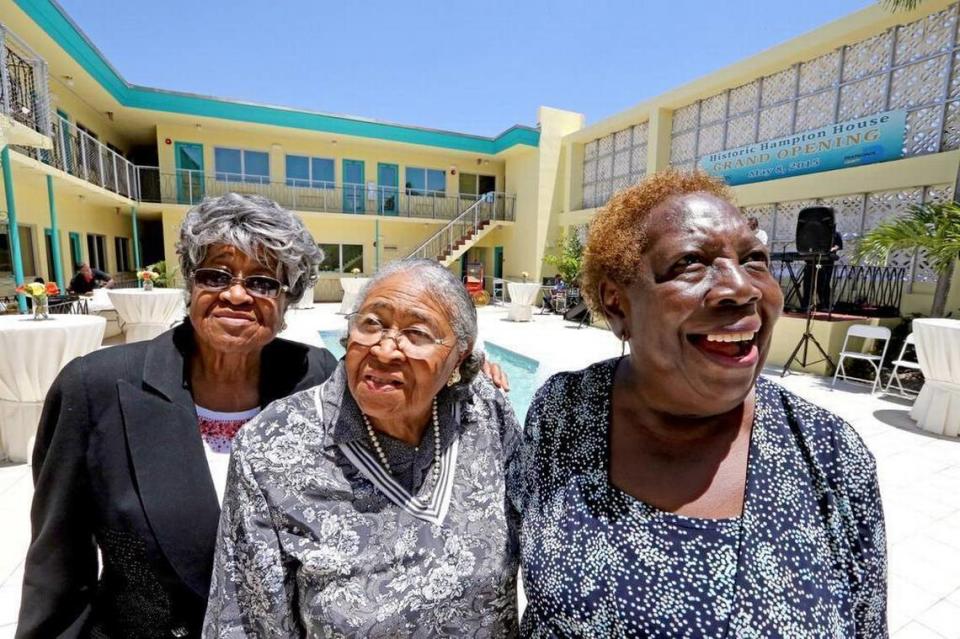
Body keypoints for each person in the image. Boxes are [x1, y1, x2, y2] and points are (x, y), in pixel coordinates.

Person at [508, 170, 886, 637]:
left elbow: (869, 621)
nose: (742, 288)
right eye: (691, 262)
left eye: (754, 260)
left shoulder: (829, 454)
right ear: (616, 304)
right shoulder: (564, 411)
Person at [17, 194, 339, 639]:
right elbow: (57, 566)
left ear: (288, 300)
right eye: (215, 275)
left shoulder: (317, 376)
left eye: (264, 282)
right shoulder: (96, 387)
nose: (236, 294)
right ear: (191, 286)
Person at [204, 259, 522, 637]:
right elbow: (247, 622)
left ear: (459, 355)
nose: (386, 350)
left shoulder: (483, 412)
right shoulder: (271, 446)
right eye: (372, 323)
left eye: (417, 333)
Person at [800, 229, 843, 311]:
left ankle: (825, 305)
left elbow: (838, 245)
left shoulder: (835, 234)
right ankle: (806, 305)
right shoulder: (816, 233)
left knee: (824, 284)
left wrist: (831, 249)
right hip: (812, 262)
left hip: (826, 263)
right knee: (808, 284)